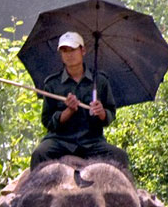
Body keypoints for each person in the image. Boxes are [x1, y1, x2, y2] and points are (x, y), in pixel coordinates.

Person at [29, 31, 129, 169]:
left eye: (73, 50)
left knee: (120, 156)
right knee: (39, 153)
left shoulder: (100, 81)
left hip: (92, 142)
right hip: (60, 141)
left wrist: (101, 113)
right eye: (64, 51)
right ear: (61, 55)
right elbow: (47, 121)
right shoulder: (52, 84)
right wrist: (68, 111)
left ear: (83, 50)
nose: (69, 54)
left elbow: (110, 113)